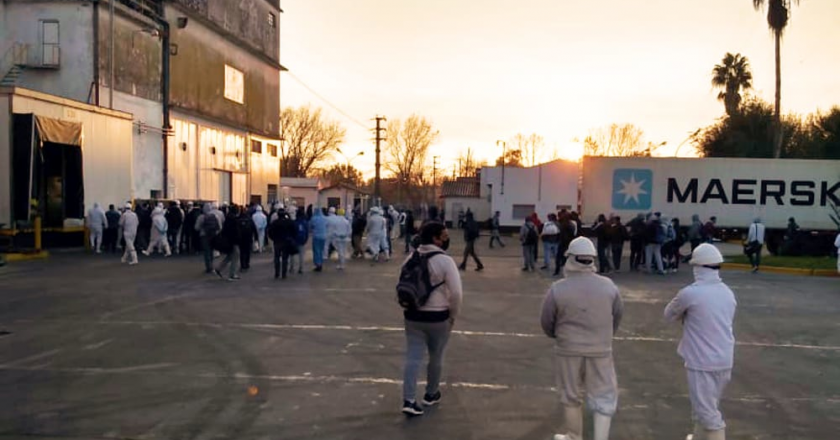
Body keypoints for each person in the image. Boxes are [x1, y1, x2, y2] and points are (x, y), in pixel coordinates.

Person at [541, 237, 623, 440]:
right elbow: (617, 314)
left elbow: (547, 321)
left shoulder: (558, 288)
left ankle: (574, 436)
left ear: (570, 258)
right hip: (600, 349)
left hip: (568, 348)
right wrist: (604, 336)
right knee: (604, 395)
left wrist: (559, 336)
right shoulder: (609, 286)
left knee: (570, 395)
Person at [664, 243, 736, 440]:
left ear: (697, 267)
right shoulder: (727, 293)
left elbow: (668, 315)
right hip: (724, 360)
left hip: (701, 362)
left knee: (709, 415)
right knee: (704, 409)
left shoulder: (690, 293)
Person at [401, 222, 462, 416]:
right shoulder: (445, 261)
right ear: (435, 238)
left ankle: (409, 399)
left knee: (413, 357)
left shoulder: (411, 257)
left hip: (413, 316)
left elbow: (401, 287)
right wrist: (453, 316)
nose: (446, 239)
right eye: (443, 235)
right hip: (438, 317)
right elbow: (456, 294)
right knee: (436, 357)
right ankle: (431, 393)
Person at [213, 205, 241, 281]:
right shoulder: (234, 219)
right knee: (235, 256)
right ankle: (232, 274)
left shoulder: (228, 218)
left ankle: (219, 268)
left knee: (230, 256)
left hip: (228, 240)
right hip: (233, 241)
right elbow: (235, 232)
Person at [269, 205, 298, 279]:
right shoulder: (289, 222)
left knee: (277, 258)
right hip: (286, 242)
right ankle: (284, 274)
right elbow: (294, 231)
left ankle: (277, 273)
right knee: (285, 258)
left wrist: (274, 238)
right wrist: (292, 238)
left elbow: (270, 232)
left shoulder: (275, 223)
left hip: (277, 242)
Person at [554, 210, 578, 276]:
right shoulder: (572, 224)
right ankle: (566, 269)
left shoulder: (561, 224)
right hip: (569, 242)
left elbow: (559, 232)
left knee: (559, 257)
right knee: (567, 257)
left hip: (562, 242)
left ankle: (557, 270)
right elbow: (574, 233)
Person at [289, 207, 309, 274]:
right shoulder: (305, 222)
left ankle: (292, 267)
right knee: (301, 255)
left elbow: (291, 232)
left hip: (295, 240)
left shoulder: (294, 222)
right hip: (302, 240)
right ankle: (301, 268)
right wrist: (306, 239)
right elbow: (307, 232)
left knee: (292, 255)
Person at [237, 207, 258, 272]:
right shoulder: (250, 219)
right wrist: (256, 237)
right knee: (248, 251)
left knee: (242, 252)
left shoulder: (238, 219)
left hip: (240, 238)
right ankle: (247, 263)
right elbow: (254, 229)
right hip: (249, 238)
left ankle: (242, 264)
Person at [309, 206, 328, 272]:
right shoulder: (325, 218)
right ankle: (320, 262)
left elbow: (310, 227)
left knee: (316, 250)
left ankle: (318, 264)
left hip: (316, 236)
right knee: (321, 250)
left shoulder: (313, 218)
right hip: (323, 236)